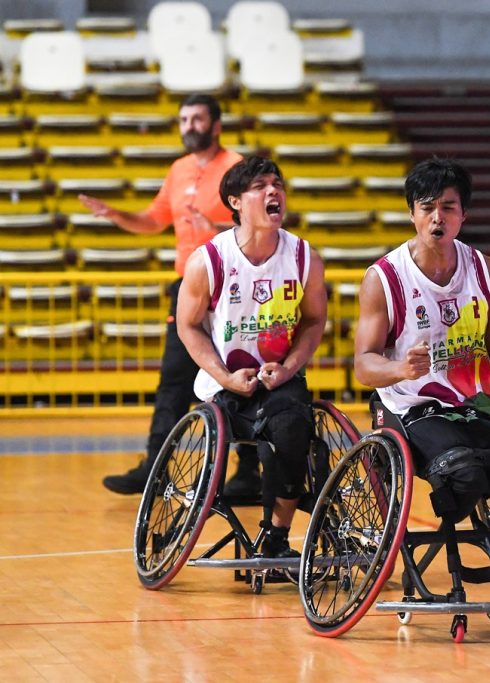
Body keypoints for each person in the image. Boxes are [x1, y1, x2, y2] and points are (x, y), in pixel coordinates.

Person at [78, 94, 260, 497]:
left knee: (242, 371)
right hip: (189, 286)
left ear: (216, 125)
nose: (189, 125)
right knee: (173, 380)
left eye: (197, 119)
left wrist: (211, 225)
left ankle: (250, 472)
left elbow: (257, 227)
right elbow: (153, 220)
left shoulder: (239, 168)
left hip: (233, 284)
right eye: (183, 119)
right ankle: (154, 469)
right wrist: (115, 214)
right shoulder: (178, 170)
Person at [353, 157, 490, 527]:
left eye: (448, 207)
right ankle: (445, 552)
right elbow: (364, 363)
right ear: (412, 214)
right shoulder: (383, 278)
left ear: (464, 215)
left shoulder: (484, 269)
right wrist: (401, 367)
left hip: (468, 406)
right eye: (427, 208)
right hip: (410, 406)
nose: (437, 217)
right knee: (465, 477)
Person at [177, 155, 327, 559]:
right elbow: (187, 326)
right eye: (260, 186)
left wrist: (290, 367)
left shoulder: (303, 257)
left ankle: (277, 536)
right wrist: (224, 377)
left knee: (292, 431)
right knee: (264, 432)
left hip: (280, 380)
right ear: (236, 201)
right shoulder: (208, 260)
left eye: (277, 184)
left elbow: (314, 320)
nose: (273, 191)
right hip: (226, 387)